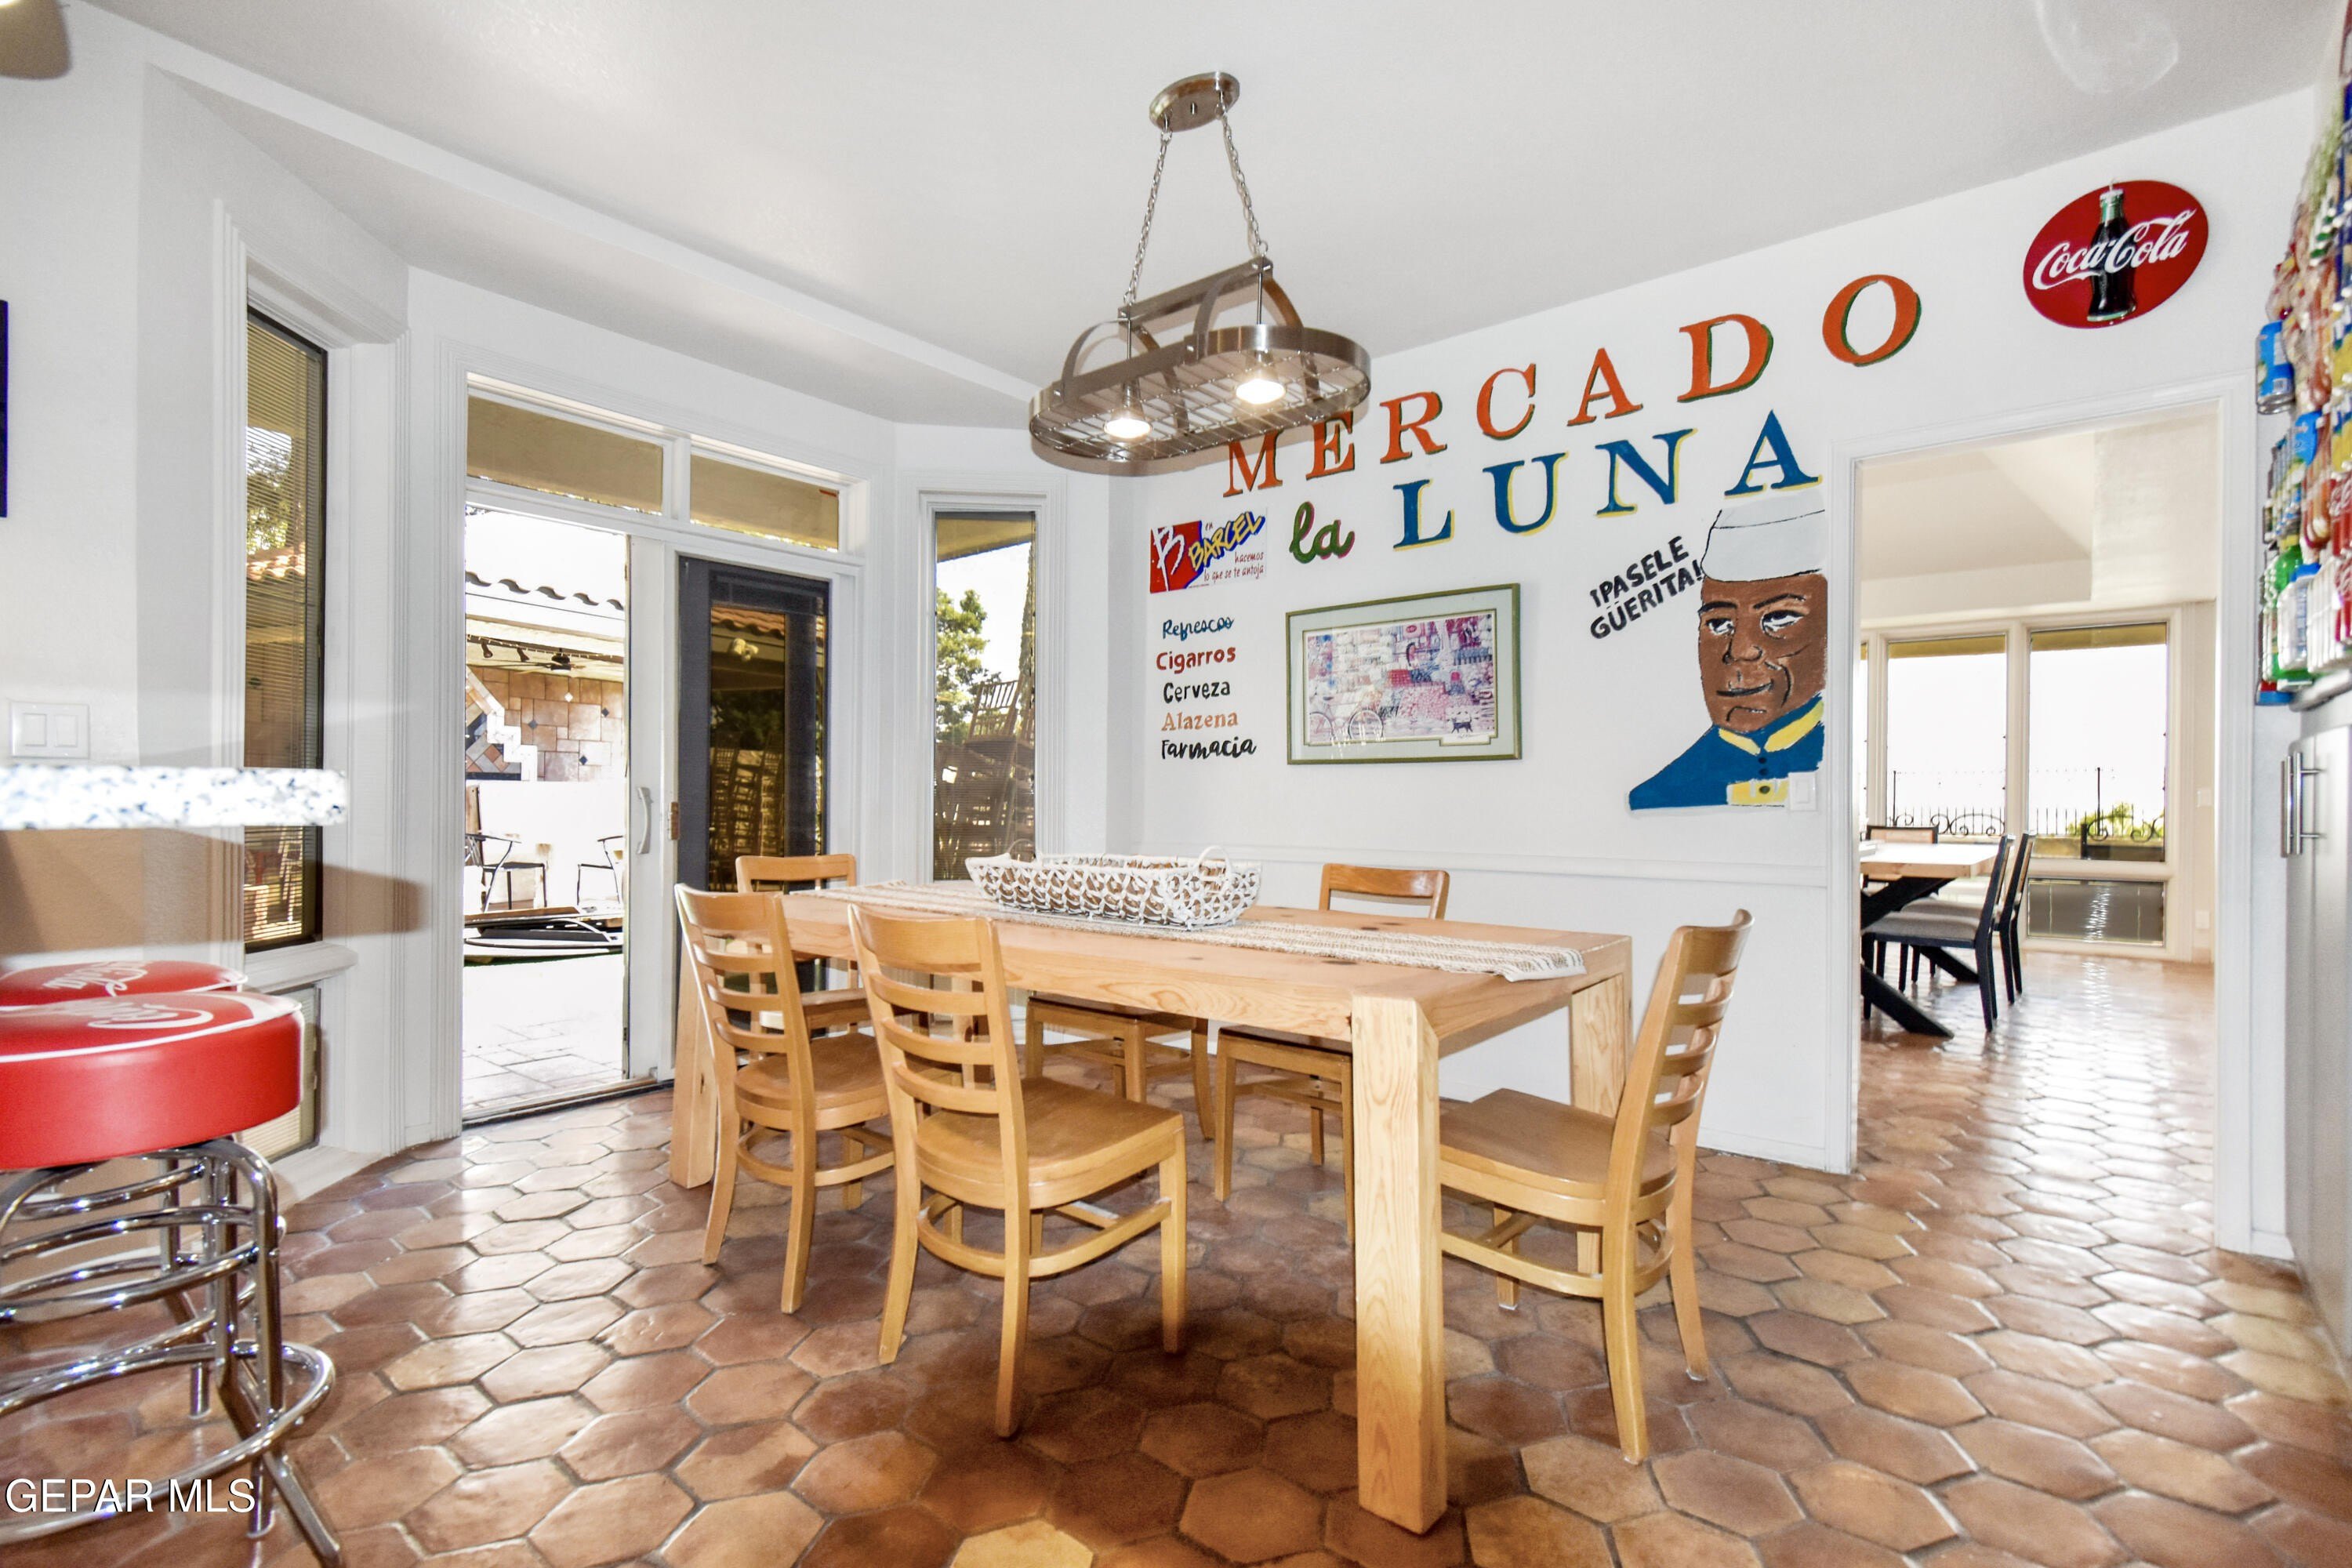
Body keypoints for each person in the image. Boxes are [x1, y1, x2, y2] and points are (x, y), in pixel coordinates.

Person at [1629, 495, 1828, 811]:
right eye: (1719, 623)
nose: (1740, 651)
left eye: (1779, 618)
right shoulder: (1662, 794)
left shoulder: (1841, 773)